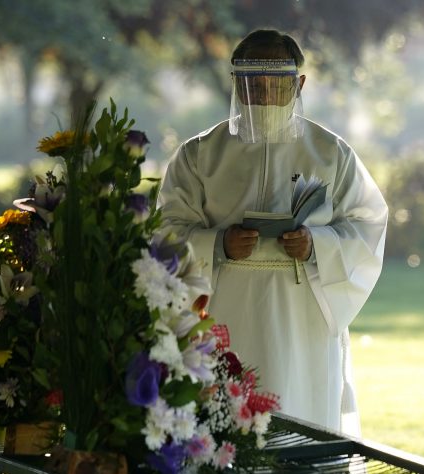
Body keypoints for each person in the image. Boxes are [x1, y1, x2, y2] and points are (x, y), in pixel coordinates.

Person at [157, 29, 387, 435]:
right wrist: (218, 243)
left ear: (299, 83)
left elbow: (367, 223)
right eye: (252, 83)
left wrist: (318, 244)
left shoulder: (331, 153)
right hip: (224, 305)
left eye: (275, 82)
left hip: (301, 311)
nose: (263, 94)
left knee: (299, 411)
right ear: (235, 83)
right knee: (223, 418)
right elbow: (166, 228)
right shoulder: (200, 153)